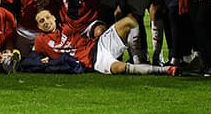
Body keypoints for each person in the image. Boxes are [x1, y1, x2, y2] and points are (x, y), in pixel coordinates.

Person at [30, 9, 178, 76]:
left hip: (98, 45)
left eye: (48, 18)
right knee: (119, 68)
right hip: (93, 61)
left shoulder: (68, 27)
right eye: (41, 21)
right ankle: (165, 70)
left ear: (54, 18)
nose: (46, 22)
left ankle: (138, 58)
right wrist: (42, 60)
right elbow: (31, 59)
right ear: (38, 26)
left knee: (130, 21)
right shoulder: (40, 40)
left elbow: (83, 22)